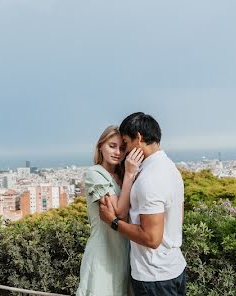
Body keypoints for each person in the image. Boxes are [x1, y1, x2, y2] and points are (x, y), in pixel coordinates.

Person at [99, 113, 186, 296]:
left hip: (154, 276)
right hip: (174, 267)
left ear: (138, 138)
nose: (125, 150)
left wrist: (113, 222)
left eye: (126, 142)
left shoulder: (150, 178)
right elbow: (178, 218)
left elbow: (151, 239)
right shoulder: (171, 169)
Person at [77, 125, 144, 296]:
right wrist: (130, 175)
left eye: (122, 148)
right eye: (112, 146)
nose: (118, 152)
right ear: (100, 146)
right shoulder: (95, 174)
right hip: (102, 253)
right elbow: (119, 213)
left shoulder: (123, 176)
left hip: (125, 254)